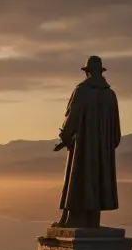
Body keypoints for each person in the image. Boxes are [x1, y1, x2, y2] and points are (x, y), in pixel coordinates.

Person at [52, 55, 121, 228]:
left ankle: (71, 219)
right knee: (97, 179)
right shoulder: (110, 95)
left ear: (87, 72)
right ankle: (92, 219)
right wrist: (106, 146)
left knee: (78, 179)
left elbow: (71, 117)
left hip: (83, 146)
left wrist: (65, 137)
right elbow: (116, 131)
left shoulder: (81, 91)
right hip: (102, 150)